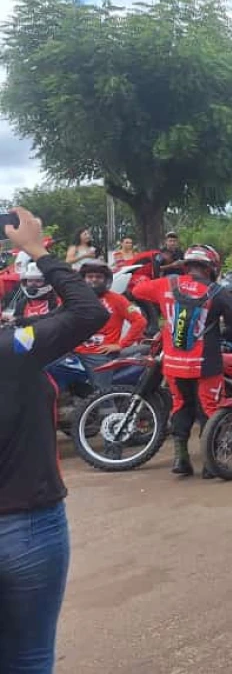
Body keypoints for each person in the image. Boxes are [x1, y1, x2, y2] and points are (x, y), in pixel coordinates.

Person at [0, 207, 108, 673]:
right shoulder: (15, 346)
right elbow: (89, 311)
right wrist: (38, 250)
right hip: (27, 526)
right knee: (29, 657)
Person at [132, 245, 232, 478]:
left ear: (185, 265)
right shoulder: (218, 292)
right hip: (206, 363)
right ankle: (209, 464)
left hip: (173, 364)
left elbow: (137, 289)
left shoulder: (165, 285)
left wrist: (152, 266)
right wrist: (221, 338)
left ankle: (181, 459)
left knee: (181, 406)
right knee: (209, 409)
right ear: (212, 267)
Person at [74, 260, 148, 388]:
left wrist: (121, 345)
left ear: (106, 280)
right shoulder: (74, 298)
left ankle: (107, 407)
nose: (94, 280)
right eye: (90, 276)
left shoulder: (117, 299)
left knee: (101, 394)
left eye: (98, 277)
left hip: (99, 354)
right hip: (73, 351)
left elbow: (140, 321)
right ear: (83, 279)